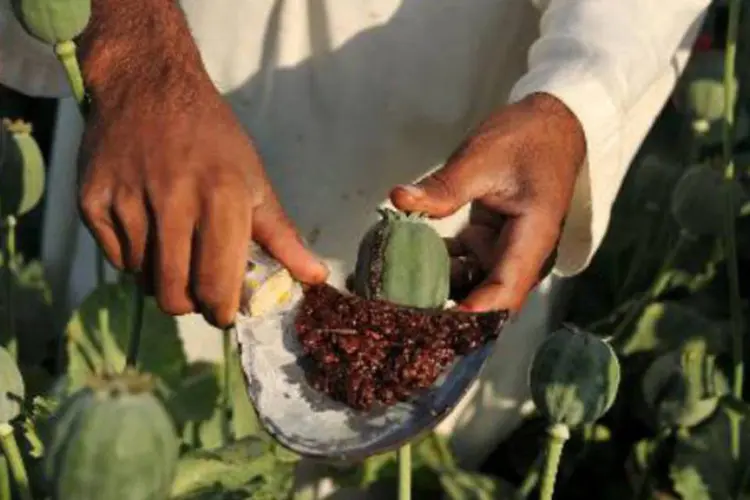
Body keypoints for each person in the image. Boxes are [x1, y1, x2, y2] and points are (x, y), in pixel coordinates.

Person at [1, 0, 710, 496]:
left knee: (426, 459)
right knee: (121, 426)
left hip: (465, 129)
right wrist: (129, 44)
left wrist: (576, 99)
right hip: (160, 96)